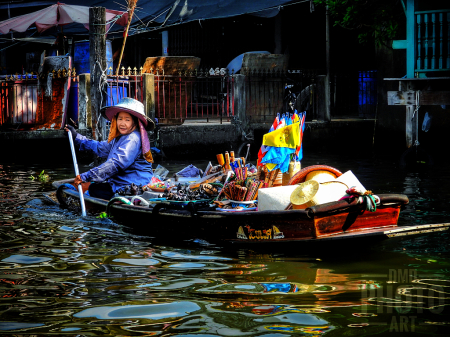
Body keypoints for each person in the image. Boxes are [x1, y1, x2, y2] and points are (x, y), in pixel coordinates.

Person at [64, 97, 155, 200]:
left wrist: (86, 176)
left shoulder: (133, 138)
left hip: (134, 185)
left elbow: (116, 164)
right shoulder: (121, 137)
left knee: (94, 189)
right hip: (120, 182)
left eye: (127, 120)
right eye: (120, 119)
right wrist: (77, 137)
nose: (122, 123)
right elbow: (101, 148)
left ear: (135, 122)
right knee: (94, 188)